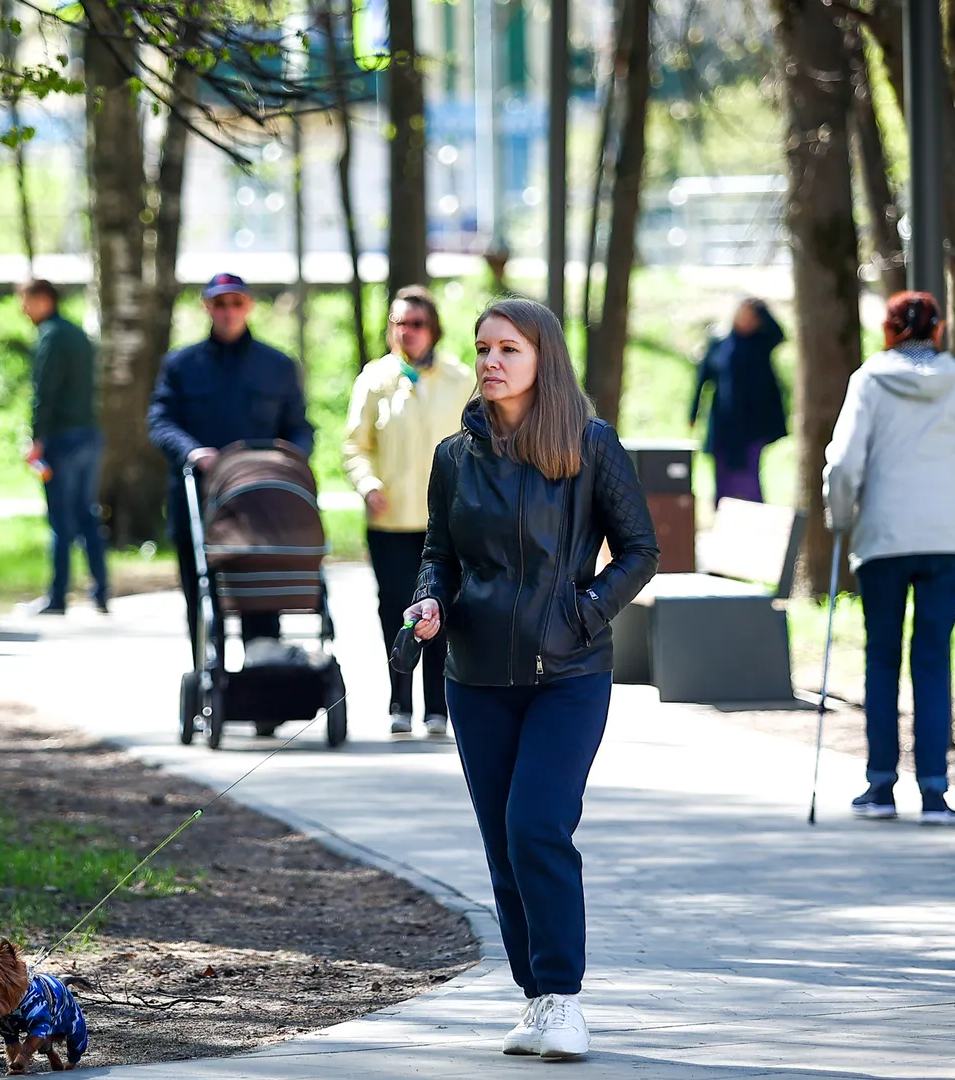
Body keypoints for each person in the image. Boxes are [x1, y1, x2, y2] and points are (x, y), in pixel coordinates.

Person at [405, 298, 659, 1059]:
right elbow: (439, 554)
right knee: (501, 842)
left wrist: (583, 615)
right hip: (476, 677)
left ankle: (564, 998)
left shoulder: (589, 444)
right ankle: (534, 996)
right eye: (482, 349)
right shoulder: (456, 457)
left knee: (536, 827)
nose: (490, 362)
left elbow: (640, 550)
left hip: (568, 674)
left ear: (542, 358)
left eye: (507, 349)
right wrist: (427, 599)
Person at [822, 291, 955, 825]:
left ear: (888, 331)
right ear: (940, 331)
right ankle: (934, 793)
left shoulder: (868, 382)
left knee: (882, 658)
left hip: (882, 540)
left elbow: (843, 467)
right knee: (932, 657)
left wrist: (842, 517)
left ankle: (880, 788)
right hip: (947, 542)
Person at [148, 272, 315, 654]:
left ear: (249, 306)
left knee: (263, 598)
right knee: (204, 597)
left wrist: (288, 460)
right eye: (219, 303)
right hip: (200, 505)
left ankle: (266, 680)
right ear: (207, 307)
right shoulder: (180, 365)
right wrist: (192, 451)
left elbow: (300, 429)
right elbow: (160, 421)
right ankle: (210, 681)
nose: (228, 311)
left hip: (262, 509)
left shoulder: (277, 365)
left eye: (236, 303)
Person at [343, 286, 474, 738]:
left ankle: (437, 706)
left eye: (416, 324)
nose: (407, 332)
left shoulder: (460, 379)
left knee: (440, 608)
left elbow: (477, 443)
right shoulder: (374, 379)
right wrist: (368, 483)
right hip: (391, 520)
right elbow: (355, 445)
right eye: (399, 323)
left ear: (433, 329)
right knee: (395, 611)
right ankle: (400, 702)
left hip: (447, 523)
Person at [20, 279, 109, 615]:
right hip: (89, 435)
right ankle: (101, 590)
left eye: (26, 300)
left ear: (43, 299)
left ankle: (58, 597)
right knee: (87, 514)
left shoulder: (52, 336)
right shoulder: (77, 334)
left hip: (62, 439)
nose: (23, 309)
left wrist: (36, 438)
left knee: (60, 519)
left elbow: (45, 391)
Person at [690, 296, 787, 503]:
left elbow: (779, 334)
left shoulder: (761, 344)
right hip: (723, 424)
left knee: (749, 479)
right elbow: (703, 380)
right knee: (722, 478)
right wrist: (693, 412)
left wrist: (759, 306)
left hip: (752, 426)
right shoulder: (720, 343)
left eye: (751, 317)